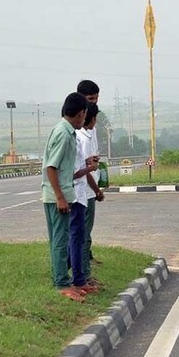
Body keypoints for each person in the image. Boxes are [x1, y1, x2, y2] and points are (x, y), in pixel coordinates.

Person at [42, 92, 87, 302]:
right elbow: (51, 167)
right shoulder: (63, 133)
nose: (85, 119)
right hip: (56, 197)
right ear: (79, 114)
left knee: (60, 240)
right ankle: (62, 283)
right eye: (85, 114)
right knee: (61, 241)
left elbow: (66, 170)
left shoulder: (68, 132)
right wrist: (60, 197)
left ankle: (62, 279)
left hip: (62, 192)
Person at [68, 102, 100, 296]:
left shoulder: (80, 136)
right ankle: (77, 277)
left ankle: (80, 276)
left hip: (82, 194)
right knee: (79, 237)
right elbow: (75, 172)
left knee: (80, 236)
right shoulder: (77, 137)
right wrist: (91, 170)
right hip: (80, 194)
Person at [77, 80, 104, 277]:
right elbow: (83, 168)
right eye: (90, 100)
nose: (93, 103)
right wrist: (96, 189)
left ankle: (85, 261)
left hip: (89, 184)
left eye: (95, 99)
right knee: (82, 233)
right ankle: (83, 272)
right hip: (84, 189)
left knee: (85, 231)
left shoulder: (90, 130)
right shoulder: (79, 134)